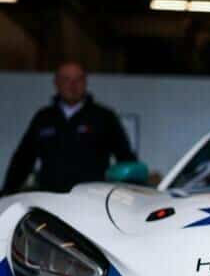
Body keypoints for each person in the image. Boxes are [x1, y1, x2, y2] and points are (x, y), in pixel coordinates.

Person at [2, 62, 136, 194]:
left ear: (85, 83)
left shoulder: (104, 117)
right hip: (51, 198)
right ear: (56, 83)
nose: (73, 85)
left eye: (78, 79)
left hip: (92, 198)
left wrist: (134, 191)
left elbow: (125, 158)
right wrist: (7, 192)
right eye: (66, 79)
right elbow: (23, 160)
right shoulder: (43, 118)